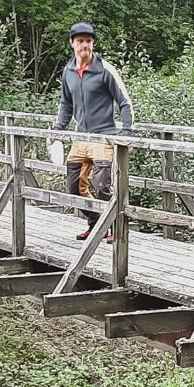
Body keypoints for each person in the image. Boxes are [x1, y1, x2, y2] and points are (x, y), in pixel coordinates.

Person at [53, 22, 134, 238]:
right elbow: (66, 105)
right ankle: (96, 224)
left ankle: (114, 229)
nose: (84, 46)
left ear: (93, 43)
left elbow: (125, 102)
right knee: (73, 186)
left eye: (88, 41)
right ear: (72, 43)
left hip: (103, 137)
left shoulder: (105, 70)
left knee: (102, 187)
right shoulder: (68, 71)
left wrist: (127, 135)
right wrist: (57, 131)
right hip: (80, 138)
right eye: (80, 41)